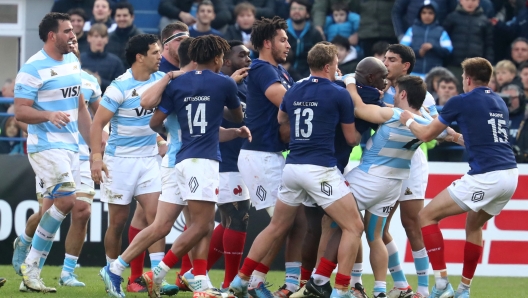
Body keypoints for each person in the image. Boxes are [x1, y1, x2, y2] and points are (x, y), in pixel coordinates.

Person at [231, 41, 364, 298]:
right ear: (328, 66)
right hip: (320, 169)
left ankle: (241, 278)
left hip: (292, 167)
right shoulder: (339, 94)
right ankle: (341, 290)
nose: (338, 69)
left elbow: (282, 119)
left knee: (276, 227)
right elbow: (350, 140)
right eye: (336, 64)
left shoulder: (293, 90)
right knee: (353, 227)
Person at [399, 57, 518, 298]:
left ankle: (441, 285)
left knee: (427, 216)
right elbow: (484, 136)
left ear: (468, 79)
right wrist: (457, 137)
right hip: (511, 176)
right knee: (474, 224)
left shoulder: (461, 101)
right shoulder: (498, 102)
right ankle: (464, 290)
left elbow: (425, 136)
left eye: (463, 78)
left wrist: (408, 119)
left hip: (487, 176)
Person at [134, 35, 242, 298]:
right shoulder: (224, 82)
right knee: (201, 225)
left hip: (179, 158)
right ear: (218, 58)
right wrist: (222, 107)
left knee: (197, 224)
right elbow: (237, 115)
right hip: (203, 161)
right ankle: (157, 273)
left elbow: (155, 121)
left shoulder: (178, 83)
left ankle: (200, 284)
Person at [13, 12, 92, 293]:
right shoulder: (32, 68)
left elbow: (81, 107)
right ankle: (31, 265)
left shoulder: (72, 61)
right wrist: (48, 115)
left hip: (72, 148)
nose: (74, 35)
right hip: (45, 146)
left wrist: (94, 145)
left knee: (52, 209)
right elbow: (19, 110)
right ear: (52, 36)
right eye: (68, 31)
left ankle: (26, 254)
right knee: (68, 200)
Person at [90, 34, 170, 297]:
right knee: (118, 223)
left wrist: (160, 139)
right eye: (156, 52)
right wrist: (96, 159)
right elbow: (97, 124)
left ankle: (156, 276)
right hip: (119, 161)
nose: (161, 56)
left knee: (156, 218)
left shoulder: (160, 80)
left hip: (149, 159)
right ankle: (111, 272)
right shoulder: (119, 87)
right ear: (140, 57)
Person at [345, 68, 435, 298]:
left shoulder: (394, 115)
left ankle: (334, 283)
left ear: (403, 95)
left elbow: (359, 108)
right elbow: (442, 132)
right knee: (375, 236)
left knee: (340, 225)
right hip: (392, 186)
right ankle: (380, 290)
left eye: (396, 92)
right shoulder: (425, 121)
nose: (393, 95)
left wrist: (350, 83)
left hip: (368, 180)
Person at [235, 16, 303, 298]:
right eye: (282, 39)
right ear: (267, 43)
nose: (288, 44)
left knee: (296, 222)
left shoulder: (280, 72)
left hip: (273, 155)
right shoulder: (262, 69)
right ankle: (247, 282)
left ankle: (290, 282)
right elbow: (288, 102)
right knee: (281, 223)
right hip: (259, 156)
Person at [380, 44, 438, 298]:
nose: (385, 64)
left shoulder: (422, 95)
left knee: (412, 223)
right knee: (378, 227)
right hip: (386, 163)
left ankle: (423, 290)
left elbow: (435, 132)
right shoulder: (376, 91)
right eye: (384, 58)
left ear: (405, 66)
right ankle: (401, 283)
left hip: (412, 162)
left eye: (391, 60)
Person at [204, 40, 252, 291]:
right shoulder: (217, 84)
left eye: (249, 55)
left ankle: (191, 273)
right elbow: (215, 113)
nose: (248, 59)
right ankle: (229, 282)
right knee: (238, 217)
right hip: (225, 159)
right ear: (226, 60)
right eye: (242, 55)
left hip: (242, 160)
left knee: (229, 220)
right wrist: (230, 83)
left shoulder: (248, 87)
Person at [443, 0, 493, 84]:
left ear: (478, 2)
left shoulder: (484, 21)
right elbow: (444, 41)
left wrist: (487, 63)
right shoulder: (451, 18)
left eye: (473, 0)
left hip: (475, 67)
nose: (470, 3)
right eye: (466, 0)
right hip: (454, 65)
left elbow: (489, 45)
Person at [400, 2, 453, 78]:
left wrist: (433, 47)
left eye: (430, 13)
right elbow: (402, 49)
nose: (427, 15)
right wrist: (418, 52)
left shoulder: (441, 32)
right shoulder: (412, 30)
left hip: (434, 75)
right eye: (424, 12)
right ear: (419, 14)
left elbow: (448, 50)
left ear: (435, 14)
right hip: (413, 72)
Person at [80, 23, 125, 92]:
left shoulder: (115, 62)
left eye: (102, 36)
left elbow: (121, 87)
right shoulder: (79, 60)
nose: (99, 40)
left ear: (107, 39)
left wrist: (101, 82)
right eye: (96, 36)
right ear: (89, 38)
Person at [286, 0, 324, 80]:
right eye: (293, 8)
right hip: (285, 72)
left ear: (307, 14)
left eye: (300, 9)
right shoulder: (281, 31)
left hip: (309, 74)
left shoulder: (314, 33)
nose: (296, 11)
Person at [106, 2, 144, 68]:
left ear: (132, 17)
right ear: (114, 17)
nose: (121, 19)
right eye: (118, 16)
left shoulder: (141, 39)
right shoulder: (108, 38)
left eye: (125, 15)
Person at [157, 0, 232, 33]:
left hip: (207, 30)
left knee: (224, 26)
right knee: (165, 20)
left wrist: (205, 22)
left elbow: (226, 15)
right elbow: (164, 6)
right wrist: (180, 14)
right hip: (182, 28)